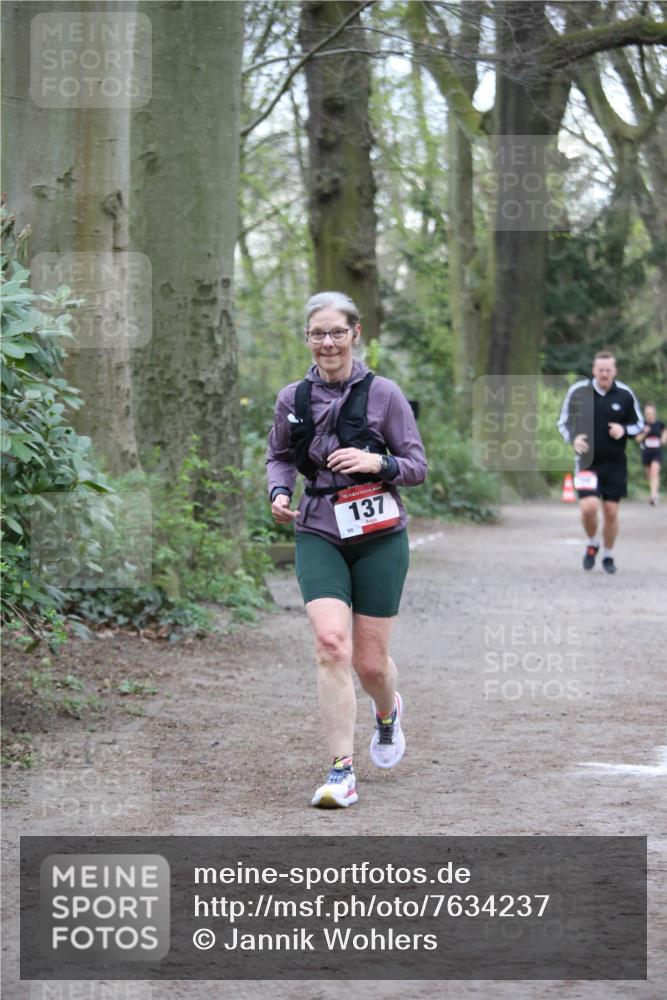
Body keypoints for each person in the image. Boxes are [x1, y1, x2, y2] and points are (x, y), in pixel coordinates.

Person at [266, 291, 427, 808]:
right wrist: (280, 491)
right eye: (318, 333)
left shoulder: (385, 395)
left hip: (379, 534)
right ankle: (341, 771)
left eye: (337, 332)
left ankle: (387, 713)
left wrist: (376, 463)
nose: (328, 342)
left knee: (371, 664)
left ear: (356, 334)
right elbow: (278, 457)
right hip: (318, 529)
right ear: (307, 339)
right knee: (331, 645)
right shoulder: (292, 399)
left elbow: (417, 467)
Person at [557, 351, 643, 574]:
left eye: (608, 370)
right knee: (589, 507)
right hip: (587, 462)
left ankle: (608, 555)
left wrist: (623, 429)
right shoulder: (578, 392)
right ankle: (592, 542)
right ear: (594, 370)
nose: (604, 374)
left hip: (615, 464)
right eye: (600, 370)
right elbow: (563, 422)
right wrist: (573, 439)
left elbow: (639, 425)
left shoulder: (625, 394)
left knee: (611, 512)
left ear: (614, 371)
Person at [635, 403, 666, 505]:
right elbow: (637, 439)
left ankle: (654, 495)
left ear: (654, 413)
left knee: (654, 471)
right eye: (647, 413)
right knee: (649, 475)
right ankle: (653, 492)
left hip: (656, 451)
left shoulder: (659, 424)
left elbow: (665, 432)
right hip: (646, 452)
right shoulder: (642, 425)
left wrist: (663, 438)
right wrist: (644, 432)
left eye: (651, 413)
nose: (649, 415)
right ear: (645, 413)